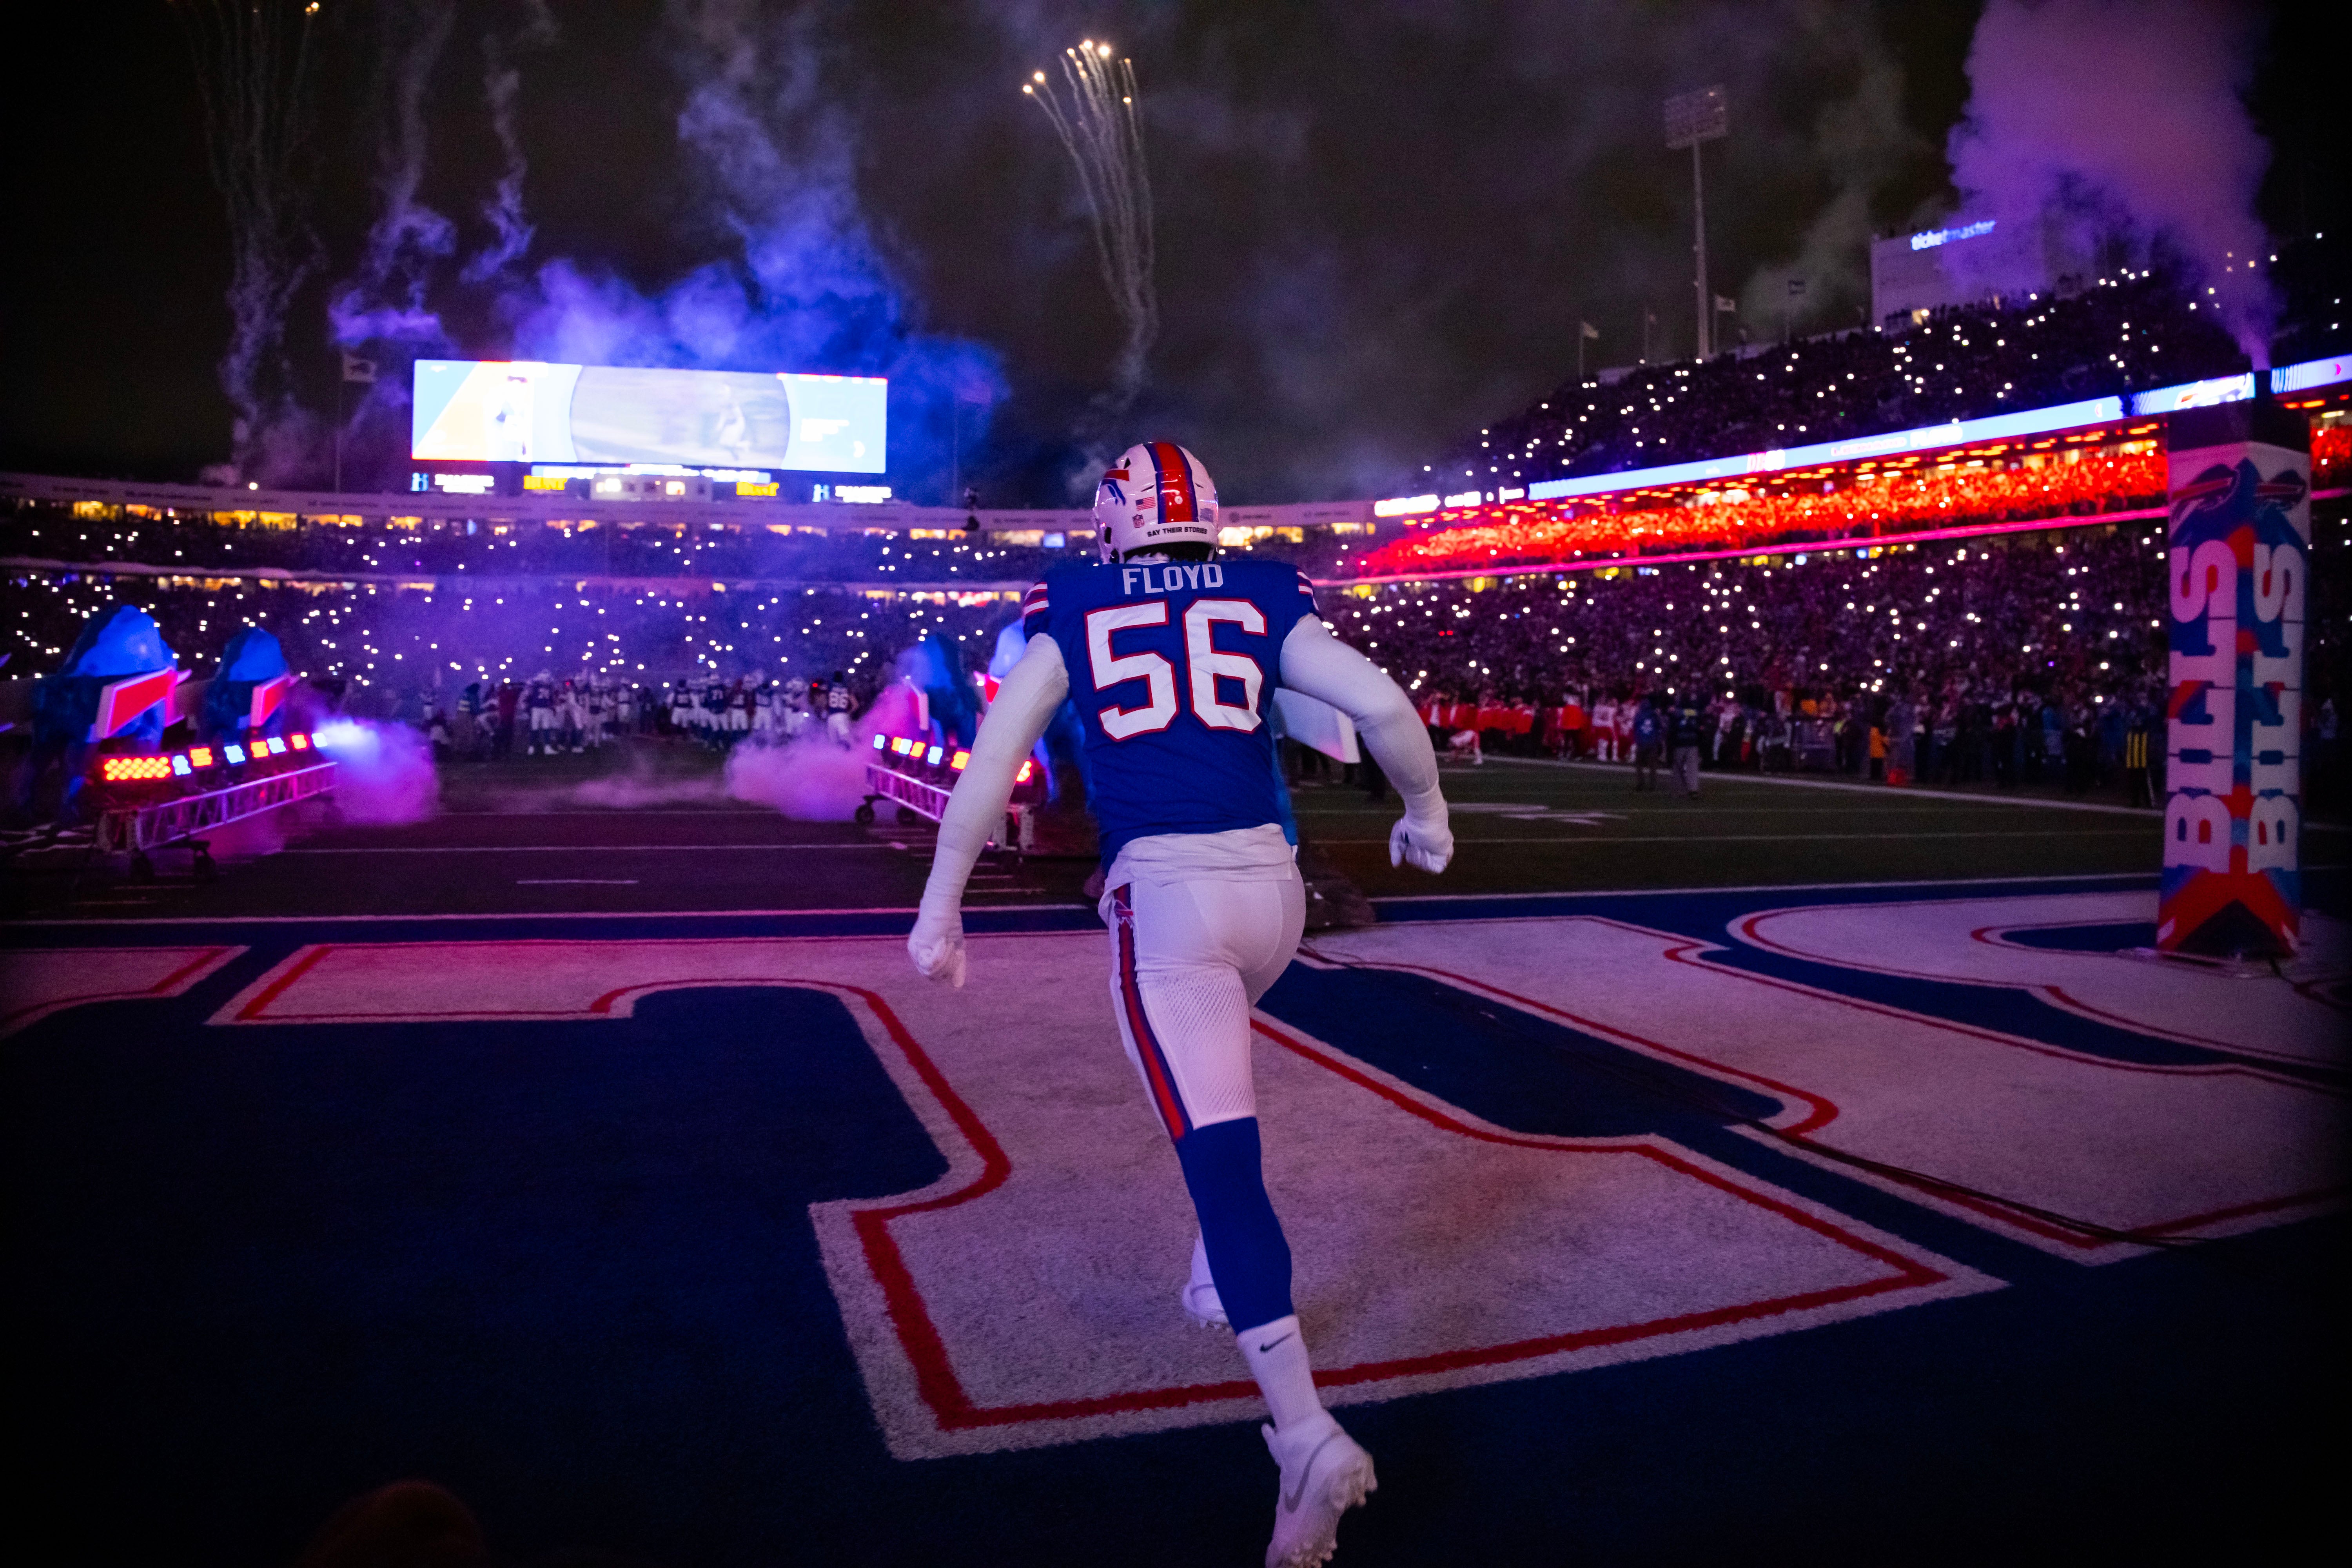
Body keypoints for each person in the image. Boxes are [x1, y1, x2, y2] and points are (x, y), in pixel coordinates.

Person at [907, 441, 1453, 1568]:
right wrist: (1427, 813)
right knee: (1217, 1094)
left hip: (1169, 898)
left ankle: (1302, 1435)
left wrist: (940, 908)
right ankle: (1217, 1264)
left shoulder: (1077, 603)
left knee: (1220, 1153)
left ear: (1112, 521)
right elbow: (1385, 705)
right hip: (1276, 896)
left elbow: (989, 764)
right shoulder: (1258, 591)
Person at [1667, 689, 1705, 798]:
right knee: (1692, 768)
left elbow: (1672, 726)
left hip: (1681, 742)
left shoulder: (1677, 712)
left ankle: (1678, 790)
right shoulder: (1695, 711)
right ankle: (1693, 789)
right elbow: (1700, 722)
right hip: (1692, 742)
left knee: (1678, 768)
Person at [1630, 694, 1663, 791]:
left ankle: (1641, 784)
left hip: (1641, 743)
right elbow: (1659, 727)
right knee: (1652, 767)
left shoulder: (1639, 715)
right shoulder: (1654, 716)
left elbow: (1635, 727)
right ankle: (1653, 785)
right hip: (1652, 743)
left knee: (1639, 765)